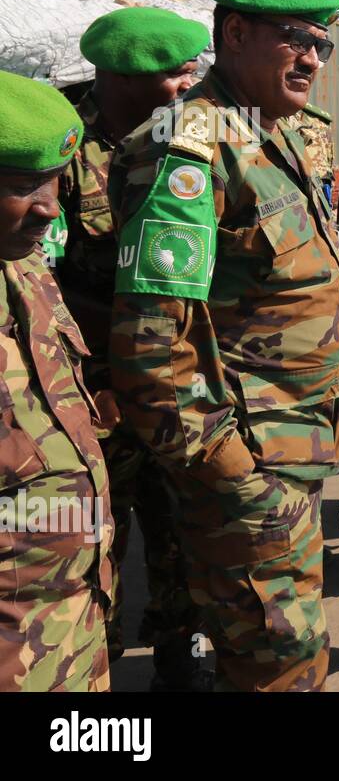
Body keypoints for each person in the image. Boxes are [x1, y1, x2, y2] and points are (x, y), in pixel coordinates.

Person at [109, 0, 339, 691]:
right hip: (251, 473)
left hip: (295, 451)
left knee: (279, 657)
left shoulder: (270, 134)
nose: (312, 58)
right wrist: (232, 475)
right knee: (284, 667)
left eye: (322, 45)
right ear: (236, 34)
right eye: (296, 39)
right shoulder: (190, 147)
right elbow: (151, 345)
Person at [62, 6, 210, 689]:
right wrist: (115, 358)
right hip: (91, 380)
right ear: (120, 75)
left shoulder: (183, 139)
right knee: (98, 533)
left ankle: (180, 654)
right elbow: (47, 281)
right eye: (173, 77)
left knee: (180, 520)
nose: (187, 88)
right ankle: (100, 663)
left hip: (173, 375)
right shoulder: (61, 145)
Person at [0, 71, 114, 692]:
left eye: (54, 184)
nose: (48, 207)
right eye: (22, 187)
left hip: (72, 624)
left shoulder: (26, 267)